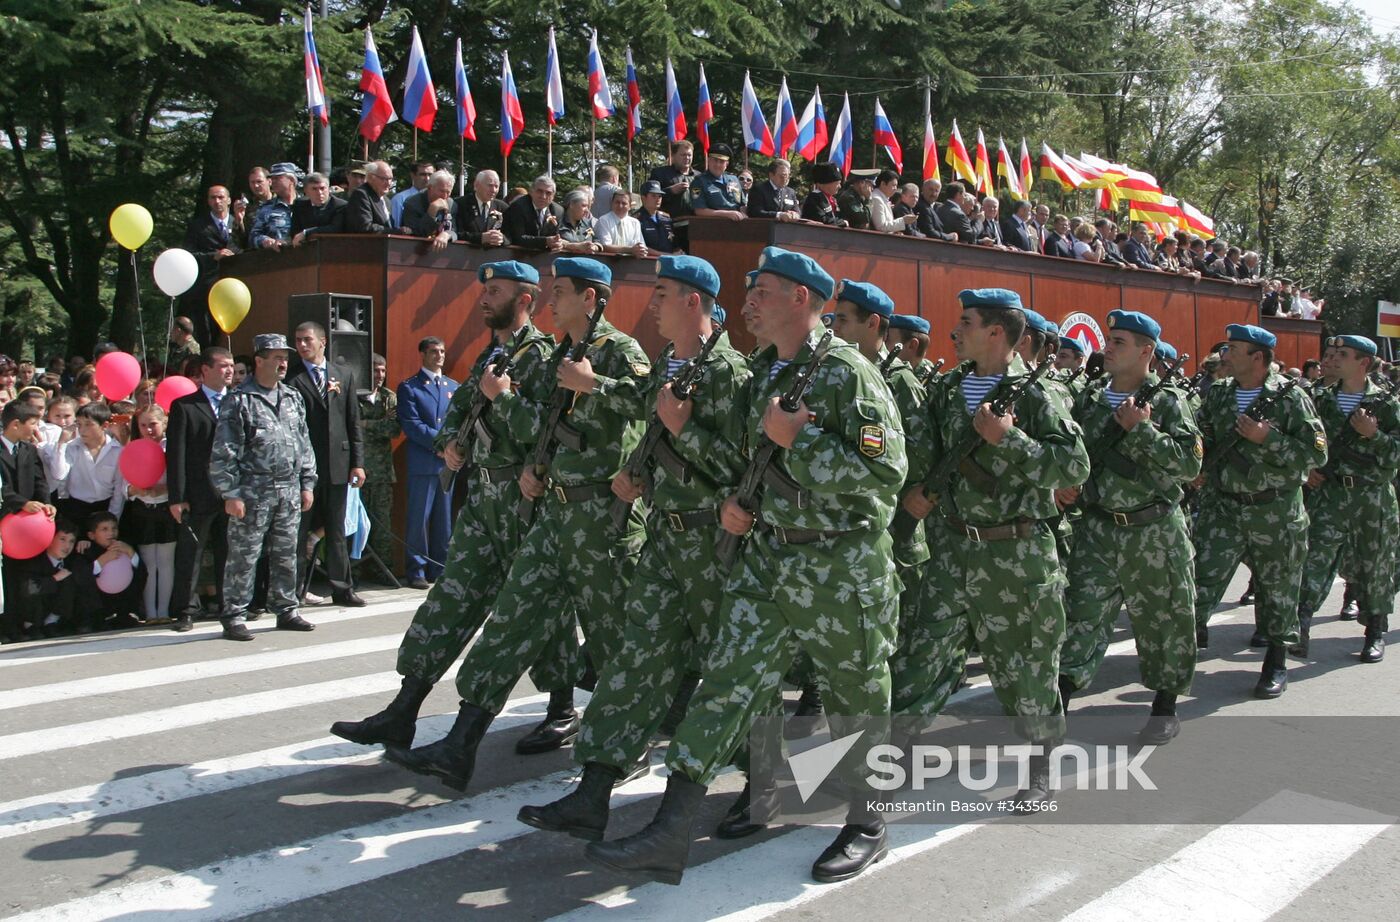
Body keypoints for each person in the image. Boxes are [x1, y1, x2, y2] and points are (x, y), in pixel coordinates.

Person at [584, 247, 907, 885]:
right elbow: (742, 456)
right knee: (725, 684)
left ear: (802, 300)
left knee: (855, 697)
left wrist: (802, 441)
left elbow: (886, 471)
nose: (750, 300)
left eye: (763, 290)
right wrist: (738, 500)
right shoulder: (764, 373)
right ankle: (670, 831)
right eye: (751, 288)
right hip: (768, 559)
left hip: (841, 565)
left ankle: (869, 821)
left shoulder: (847, 373)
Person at [383, 257, 651, 792]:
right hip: (554, 511)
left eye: (562, 292)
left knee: (614, 639)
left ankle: (629, 746)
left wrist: (593, 384)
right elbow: (544, 428)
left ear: (591, 298)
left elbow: (650, 409)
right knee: (509, 622)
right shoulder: (562, 353)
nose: (552, 299)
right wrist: (536, 467)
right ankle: (459, 744)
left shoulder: (619, 351)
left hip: (603, 519)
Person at [518, 255, 751, 841]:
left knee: (735, 670)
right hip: (665, 540)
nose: (651, 305)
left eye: (662, 294)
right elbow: (645, 415)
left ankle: (766, 781)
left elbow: (742, 470)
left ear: (693, 301)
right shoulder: (673, 365)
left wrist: (682, 431)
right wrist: (638, 472)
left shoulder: (729, 373)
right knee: (634, 663)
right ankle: (593, 791)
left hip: (710, 545)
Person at [329, 260, 579, 757]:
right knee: (449, 601)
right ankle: (403, 711)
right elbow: (457, 413)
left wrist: (502, 400)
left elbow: (544, 434)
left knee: (535, 612)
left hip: (523, 504)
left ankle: (562, 707)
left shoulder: (545, 358)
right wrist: (449, 444)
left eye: (496, 291)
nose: (484, 298)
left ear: (525, 299)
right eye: (484, 290)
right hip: (483, 501)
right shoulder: (491, 355)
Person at [893, 288, 1088, 804]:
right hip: (953, 546)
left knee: (1027, 665)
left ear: (996, 332)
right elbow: (925, 451)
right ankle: (890, 758)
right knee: (923, 657)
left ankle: (1041, 767)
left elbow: (1074, 467)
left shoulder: (1035, 394)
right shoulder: (948, 388)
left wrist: (1011, 439)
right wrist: (917, 493)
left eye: (966, 322)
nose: (955, 331)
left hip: (1016, 552)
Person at [1056, 311, 1201, 744]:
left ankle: (1164, 706)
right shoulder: (1089, 397)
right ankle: (1058, 701)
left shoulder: (1170, 401)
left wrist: (1142, 431)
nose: (1109, 347)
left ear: (1146, 352)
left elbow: (1190, 464)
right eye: (1110, 340)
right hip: (1099, 529)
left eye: (1119, 341)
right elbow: (1073, 451)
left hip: (1153, 528)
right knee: (1081, 616)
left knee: (1164, 621)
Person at [1191, 324, 1327, 697]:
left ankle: (1276, 662)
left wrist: (1269, 439)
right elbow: (1202, 437)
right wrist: (1198, 468)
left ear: (1258, 357)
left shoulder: (1289, 397)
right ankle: (1178, 661)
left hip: (1275, 510)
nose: (1225, 355)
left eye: (1233, 349)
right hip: (1224, 508)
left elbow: (1316, 453)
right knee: (1199, 579)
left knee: (1278, 588)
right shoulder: (1219, 394)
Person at [1293, 335, 1397, 663]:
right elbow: (1303, 440)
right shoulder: (1319, 399)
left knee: (1374, 563)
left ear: (1363, 363)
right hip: (1329, 493)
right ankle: (1301, 625)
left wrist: (1374, 435)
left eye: (1342, 355)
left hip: (1371, 495)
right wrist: (1307, 468)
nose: (1333, 359)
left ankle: (1374, 630)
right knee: (1313, 559)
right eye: (1332, 353)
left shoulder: (1387, 404)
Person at [209, 333, 318, 641]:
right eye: (276, 357)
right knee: (244, 556)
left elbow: (303, 443)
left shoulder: (292, 397)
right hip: (252, 492)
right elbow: (224, 451)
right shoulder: (239, 400)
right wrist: (230, 492)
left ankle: (285, 608)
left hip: (288, 490)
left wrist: (307, 483)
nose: (283, 363)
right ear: (259, 360)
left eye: (285, 357)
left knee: (286, 553)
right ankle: (234, 614)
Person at [285, 321, 366, 608]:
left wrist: (357, 463)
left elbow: (352, 421)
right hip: (304, 469)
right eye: (298, 340)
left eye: (307, 340)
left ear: (323, 342)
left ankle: (343, 589)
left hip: (337, 463)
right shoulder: (291, 378)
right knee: (299, 531)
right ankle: (293, 592)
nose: (302, 345)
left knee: (336, 530)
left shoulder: (342, 374)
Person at [167, 347, 234, 632]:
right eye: (222, 366)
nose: (229, 371)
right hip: (198, 493)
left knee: (229, 551)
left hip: (232, 491)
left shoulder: (239, 402)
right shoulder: (185, 406)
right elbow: (177, 454)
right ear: (205, 370)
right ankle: (185, 610)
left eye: (231, 366)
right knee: (190, 553)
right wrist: (177, 497)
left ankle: (229, 605)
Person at [396, 337, 457, 589]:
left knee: (444, 519)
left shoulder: (453, 386)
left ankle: (439, 567)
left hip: (447, 464)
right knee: (419, 519)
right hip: (424, 462)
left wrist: (453, 446)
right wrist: (441, 444)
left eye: (442, 351)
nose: (439, 356)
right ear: (422, 354)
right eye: (433, 351)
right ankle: (416, 569)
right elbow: (412, 424)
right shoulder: (410, 387)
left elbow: (458, 421)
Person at [1, 401, 57, 643]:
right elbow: (1, 489)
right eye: (32, 423)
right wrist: (21, 503)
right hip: (7, 521)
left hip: (29, 527)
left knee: (29, 576)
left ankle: (30, 623)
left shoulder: (28, 449)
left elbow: (40, 481)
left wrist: (45, 502)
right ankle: (7, 627)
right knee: (7, 579)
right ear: (15, 424)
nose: (36, 428)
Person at [120, 405, 178, 622]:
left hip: (165, 508)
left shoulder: (170, 447)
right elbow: (123, 485)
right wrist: (134, 489)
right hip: (143, 509)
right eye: (143, 425)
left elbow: (180, 478)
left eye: (153, 424)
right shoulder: (134, 447)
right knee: (148, 562)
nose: (148, 430)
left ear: (164, 423)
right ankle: (150, 612)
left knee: (165, 561)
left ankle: (163, 611)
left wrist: (164, 489)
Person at [180, 185, 241, 347]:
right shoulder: (198, 226)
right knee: (207, 330)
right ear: (208, 201)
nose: (217, 201)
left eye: (221, 197)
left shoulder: (239, 223)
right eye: (213, 198)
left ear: (229, 200)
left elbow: (247, 246)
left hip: (236, 286)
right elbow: (188, 255)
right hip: (206, 286)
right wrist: (213, 256)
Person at [357, 353, 399, 580]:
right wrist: (378, 424)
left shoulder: (388, 398)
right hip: (358, 471)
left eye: (383, 371)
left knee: (382, 526)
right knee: (355, 526)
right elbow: (351, 427)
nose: (380, 376)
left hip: (382, 473)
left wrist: (365, 423)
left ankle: (382, 570)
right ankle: (353, 571)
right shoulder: (354, 396)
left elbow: (393, 430)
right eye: (375, 370)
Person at [52, 402, 124, 525]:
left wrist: (113, 517)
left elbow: (118, 488)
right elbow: (59, 474)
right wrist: (61, 443)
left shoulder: (117, 450)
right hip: (76, 507)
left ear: (104, 425)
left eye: (88, 425)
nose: (82, 430)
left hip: (104, 506)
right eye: (79, 424)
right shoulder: (72, 447)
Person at [77, 511, 143, 629]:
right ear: (92, 535)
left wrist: (131, 552)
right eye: (104, 529)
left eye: (114, 528)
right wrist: (102, 561)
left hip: (121, 607)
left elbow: (142, 573)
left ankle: (126, 613)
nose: (111, 533)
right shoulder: (86, 550)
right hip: (96, 611)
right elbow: (81, 578)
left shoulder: (124, 547)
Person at [502, 175, 564, 252]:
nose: (543, 196)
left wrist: (558, 243)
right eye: (539, 191)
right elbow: (518, 238)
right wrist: (545, 241)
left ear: (553, 196)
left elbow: (557, 236)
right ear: (531, 191)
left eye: (548, 193)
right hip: (518, 254)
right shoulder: (518, 207)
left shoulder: (558, 211)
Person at [249, 162, 302, 251]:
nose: (273, 182)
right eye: (272, 178)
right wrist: (265, 241)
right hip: (278, 259)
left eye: (278, 178)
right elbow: (253, 237)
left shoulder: (307, 204)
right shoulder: (266, 208)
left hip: (308, 258)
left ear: (291, 180)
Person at [400, 169, 457, 251]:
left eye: (448, 192)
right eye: (442, 191)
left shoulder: (451, 204)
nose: (444, 196)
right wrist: (431, 212)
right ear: (430, 187)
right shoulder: (412, 203)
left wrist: (446, 234)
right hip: (415, 251)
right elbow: (417, 233)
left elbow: (455, 230)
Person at [689, 144, 745, 220]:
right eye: (715, 160)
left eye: (722, 161)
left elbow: (742, 204)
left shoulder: (734, 179)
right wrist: (726, 214)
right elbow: (699, 210)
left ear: (727, 164)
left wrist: (744, 213)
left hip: (738, 224)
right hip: (713, 226)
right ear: (708, 160)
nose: (717, 164)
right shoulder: (698, 182)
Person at [290, 171, 347, 245]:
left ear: (328, 189)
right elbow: (295, 230)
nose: (319, 192)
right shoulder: (300, 205)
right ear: (306, 191)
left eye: (322, 188)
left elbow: (335, 228)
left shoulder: (340, 205)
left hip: (333, 247)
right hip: (307, 249)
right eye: (314, 189)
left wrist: (306, 233)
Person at [455, 169, 508, 247]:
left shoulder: (503, 207)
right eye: (490, 185)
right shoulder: (460, 204)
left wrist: (502, 239)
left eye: (496, 186)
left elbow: (512, 235)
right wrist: (480, 238)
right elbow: (456, 233)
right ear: (476, 185)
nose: (493, 190)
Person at [343, 160, 394, 234]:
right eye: (384, 179)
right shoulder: (361, 195)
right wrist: (395, 231)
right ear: (370, 177)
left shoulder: (386, 201)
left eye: (390, 179)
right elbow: (365, 227)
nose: (388, 183)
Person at [594, 189, 647, 257]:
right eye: (617, 202)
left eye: (624, 203)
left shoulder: (635, 223)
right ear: (611, 203)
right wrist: (631, 250)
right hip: (608, 261)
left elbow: (640, 245)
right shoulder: (604, 221)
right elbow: (605, 247)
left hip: (630, 263)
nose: (620, 206)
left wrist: (640, 250)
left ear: (630, 206)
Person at [233, 166, 274, 249]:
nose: (256, 185)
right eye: (252, 182)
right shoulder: (246, 208)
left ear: (269, 181)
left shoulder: (282, 203)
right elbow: (241, 243)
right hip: (257, 256)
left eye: (259, 181)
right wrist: (239, 221)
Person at [634, 180, 676, 254]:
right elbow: (638, 246)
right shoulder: (636, 220)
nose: (658, 199)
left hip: (669, 259)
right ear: (643, 198)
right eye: (653, 196)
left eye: (660, 196)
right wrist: (666, 255)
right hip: (648, 261)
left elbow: (673, 241)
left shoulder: (666, 218)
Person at [800, 161, 848, 227]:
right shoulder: (814, 199)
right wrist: (842, 222)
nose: (840, 186)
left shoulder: (832, 199)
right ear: (824, 183)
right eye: (837, 183)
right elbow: (822, 221)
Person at [391, 160, 434, 228]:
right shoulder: (400, 199)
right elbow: (396, 227)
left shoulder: (437, 198)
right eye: (423, 174)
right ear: (413, 175)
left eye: (430, 175)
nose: (427, 179)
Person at [558, 189, 601, 254]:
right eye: (583, 206)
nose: (587, 210)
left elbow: (597, 241)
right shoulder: (558, 222)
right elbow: (552, 241)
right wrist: (574, 246)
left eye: (588, 206)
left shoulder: (587, 223)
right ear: (571, 204)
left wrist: (594, 247)